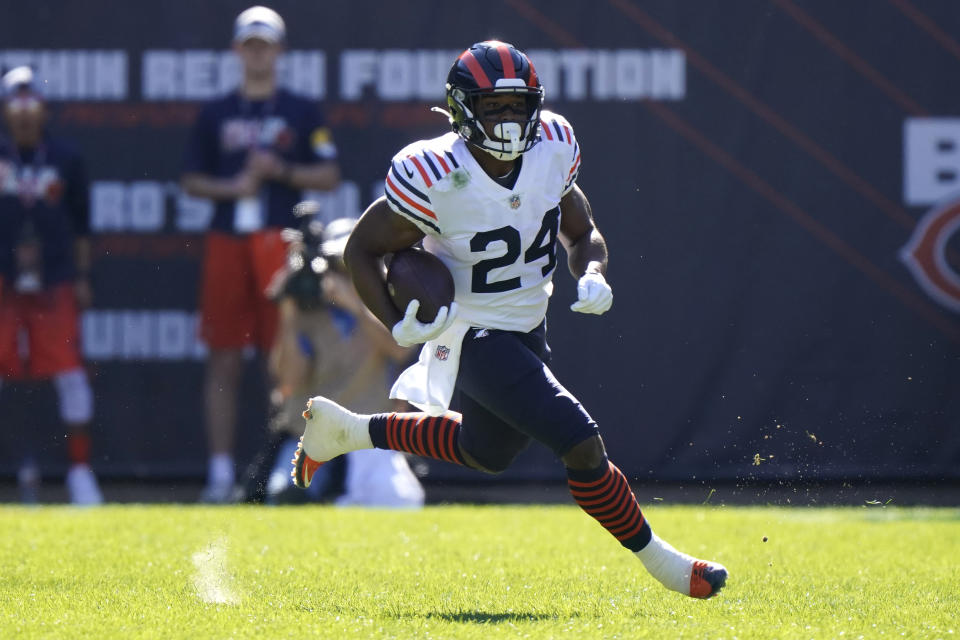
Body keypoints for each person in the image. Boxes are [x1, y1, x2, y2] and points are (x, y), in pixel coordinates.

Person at [292, 41, 728, 598]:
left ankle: (347, 430)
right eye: (493, 106)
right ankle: (667, 564)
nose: (509, 119)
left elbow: (580, 229)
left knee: (487, 452)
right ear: (460, 109)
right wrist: (393, 321)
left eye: (518, 105)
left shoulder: (552, 146)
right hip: (469, 329)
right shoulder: (434, 170)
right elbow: (362, 250)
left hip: (525, 324)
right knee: (579, 441)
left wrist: (592, 270)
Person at [181, 6, 340, 502]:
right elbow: (190, 180)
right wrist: (234, 185)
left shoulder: (300, 109)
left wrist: (282, 171)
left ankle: (284, 466)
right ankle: (221, 472)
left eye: (265, 44)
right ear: (236, 51)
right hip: (229, 237)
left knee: (288, 357)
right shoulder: (216, 112)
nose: (257, 53)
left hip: (280, 240)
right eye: (249, 44)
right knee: (224, 357)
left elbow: (329, 174)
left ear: (280, 51)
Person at [256, 208, 423, 506]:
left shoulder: (384, 304)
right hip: (311, 432)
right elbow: (290, 379)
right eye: (337, 265)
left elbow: (400, 350)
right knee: (285, 495)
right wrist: (289, 314)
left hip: (370, 430)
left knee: (396, 501)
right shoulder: (308, 312)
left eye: (352, 265)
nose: (345, 273)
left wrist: (356, 306)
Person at [0, 66, 102, 504]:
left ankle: (80, 474)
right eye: (15, 104)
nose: (24, 114)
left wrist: (80, 277)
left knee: (69, 373)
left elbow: (81, 225)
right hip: (2, 281)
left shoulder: (65, 156)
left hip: (55, 279)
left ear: (44, 110)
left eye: (31, 104)